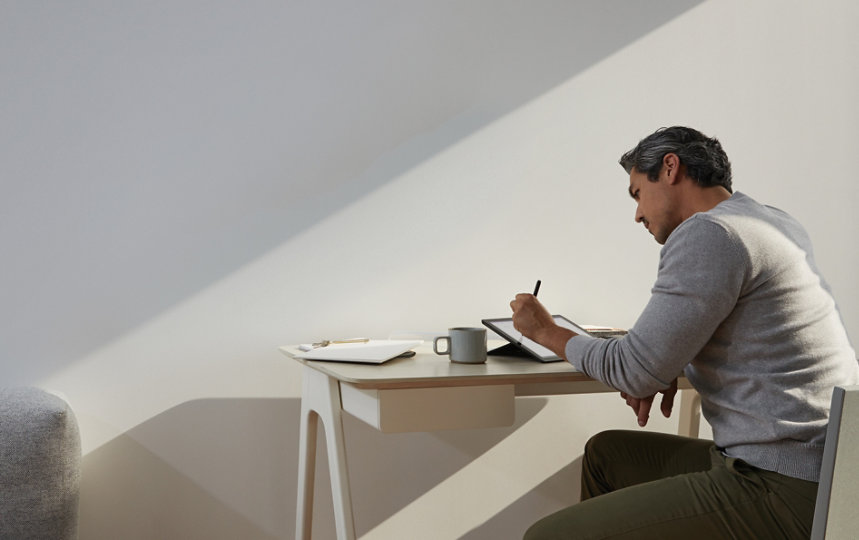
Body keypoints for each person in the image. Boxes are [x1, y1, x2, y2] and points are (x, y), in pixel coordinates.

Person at [510, 126, 859, 539]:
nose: (637, 214)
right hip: (830, 471)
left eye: (637, 193)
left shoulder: (712, 233)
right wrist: (668, 368)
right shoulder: (767, 220)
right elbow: (754, 344)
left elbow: (632, 370)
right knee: (609, 454)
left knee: (547, 536)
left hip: (782, 483)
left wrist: (546, 331)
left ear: (670, 168)